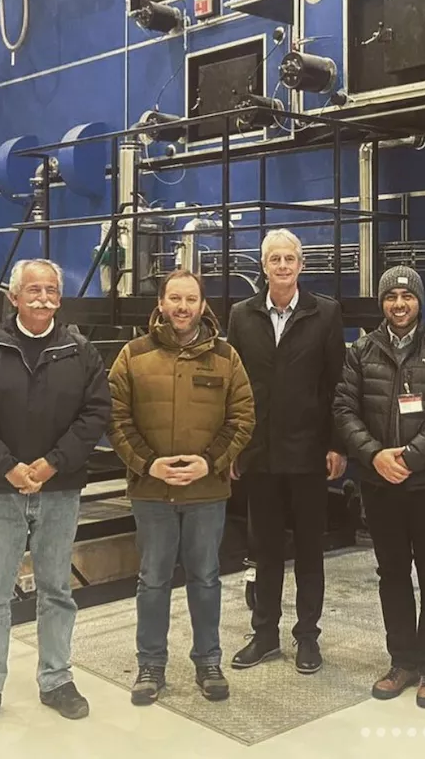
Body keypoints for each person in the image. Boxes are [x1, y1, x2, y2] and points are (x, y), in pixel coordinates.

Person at [0, 259, 111, 733]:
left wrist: (52, 463)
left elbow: (95, 413)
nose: (43, 298)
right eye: (34, 290)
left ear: (59, 298)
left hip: (59, 490)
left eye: (51, 291)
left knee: (57, 590)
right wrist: (9, 467)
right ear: (14, 297)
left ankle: (57, 679)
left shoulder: (80, 351)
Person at [107, 271, 254, 707]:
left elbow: (242, 417)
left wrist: (209, 462)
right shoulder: (133, 355)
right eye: (175, 298)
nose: (183, 307)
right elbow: (115, 417)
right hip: (152, 492)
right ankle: (151, 665)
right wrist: (148, 464)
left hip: (205, 492)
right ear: (162, 303)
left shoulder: (226, 357)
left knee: (205, 579)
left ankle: (208, 662)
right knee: (152, 580)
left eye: (191, 299)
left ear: (203, 305)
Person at [333, 265, 425, 709]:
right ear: (382, 303)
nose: (399, 304)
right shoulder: (361, 352)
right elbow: (344, 410)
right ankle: (402, 661)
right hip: (379, 483)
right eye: (391, 297)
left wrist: (407, 458)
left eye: (407, 297)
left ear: (419, 302)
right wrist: (375, 456)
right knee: (392, 574)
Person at [227, 229, 347, 675]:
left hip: (309, 454)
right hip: (259, 455)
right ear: (263, 266)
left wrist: (336, 444)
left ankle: (308, 637)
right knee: (265, 550)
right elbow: (232, 387)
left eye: (289, 259)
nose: (282, 266)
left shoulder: (325, 313)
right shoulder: (242, 315)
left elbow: (336, 385)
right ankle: (264, 635)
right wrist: (234, 447)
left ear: (301, 266)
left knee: (310, 551)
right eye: (274, 259)